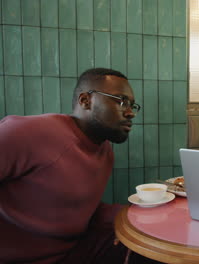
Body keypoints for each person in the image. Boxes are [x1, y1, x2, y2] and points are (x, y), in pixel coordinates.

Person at [0, 68, 142, 263]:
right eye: (121, 101)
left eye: (132, 105)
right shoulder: (26, 133)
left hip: (75, 248)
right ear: (85, 101)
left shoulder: (104, 149)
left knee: (150, 253)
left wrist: (134, 217)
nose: (130, 113)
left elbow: (80, 208)